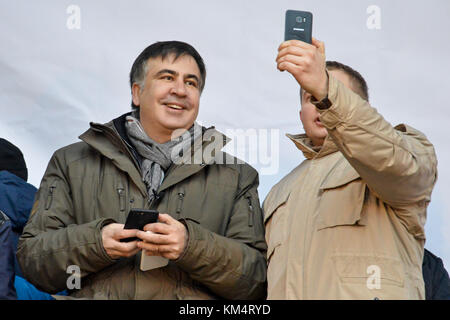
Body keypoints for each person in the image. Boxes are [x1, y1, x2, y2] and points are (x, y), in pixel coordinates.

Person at [17, 41, 267, 300]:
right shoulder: (70, 161)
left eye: (191, 83)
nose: (180, 90)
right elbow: (33, 263)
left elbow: (255, 283)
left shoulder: (237, 175)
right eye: (167, 77)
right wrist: (96, 243)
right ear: (137, 92)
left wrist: (191, 246)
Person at [264, 38, 437, 299]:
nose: (321, 105)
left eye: (333, 95)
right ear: (300, 112)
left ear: (363, 108)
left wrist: (325, 89)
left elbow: (399, 165)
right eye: (310, 97)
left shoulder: (404, 152)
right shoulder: (279, 192)